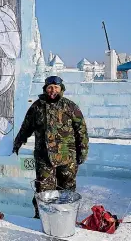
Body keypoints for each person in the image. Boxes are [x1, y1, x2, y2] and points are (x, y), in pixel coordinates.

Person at [12, 76, 89, 219]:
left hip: (67, 157)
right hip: (44, 156)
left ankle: (66, 217)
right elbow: (26, 127)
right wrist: (18, 142)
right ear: (45, 89)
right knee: (43, 190)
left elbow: (81, 130)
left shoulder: (70, 106)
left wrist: (82, 150)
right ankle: (42, 218)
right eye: (50, 87)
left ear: (61, 89)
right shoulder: (37, 107)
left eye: (56, 88)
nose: (53, 90)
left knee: (67, 190)